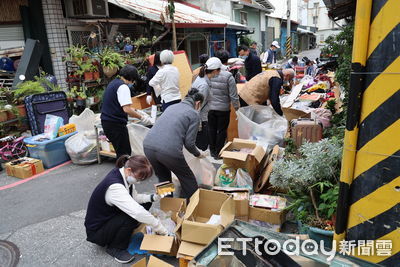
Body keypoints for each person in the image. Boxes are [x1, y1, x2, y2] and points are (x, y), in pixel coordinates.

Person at [85, 155, 169, 264]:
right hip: (97, 231)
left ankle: (122, 231)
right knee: (131, 216)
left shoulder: (123, 175)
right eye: (139, 178)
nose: (139, 181)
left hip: (109, 218)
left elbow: (135, 198)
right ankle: (115, 248)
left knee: (146, 204)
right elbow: (137, 212)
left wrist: (154, 197)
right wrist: (160, 227)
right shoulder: (115, 186)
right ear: (129, 170)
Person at [143, 89, 207, 199]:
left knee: (163, 178)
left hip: (148, 146)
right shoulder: (193, 114)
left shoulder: (171, 107)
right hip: (168, 151)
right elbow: (189, 143)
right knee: (188, 179)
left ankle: (168, 208)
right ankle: (193, 209)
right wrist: (198, 154)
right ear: (198, 103)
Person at [101, 65, 152, 159]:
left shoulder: (114, 83)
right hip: (115, 124)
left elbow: (124, 106)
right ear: (132, 78)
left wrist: (137, 111)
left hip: (107, 123)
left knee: (121, 153)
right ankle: (123, 172)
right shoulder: (123, 87)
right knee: (124, 155)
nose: (134, 82)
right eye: (134, 80)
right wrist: (142, 118)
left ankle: (123, 171)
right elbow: (127, 109)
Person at [209, 50, 240, 159]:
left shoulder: (208, 74)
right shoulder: (228, 76)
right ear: (226, 61)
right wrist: (237, 109)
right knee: (222, 131)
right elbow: (233, 95)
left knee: (212, 129)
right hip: (223, 109)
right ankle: (218, 152)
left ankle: (212, 151)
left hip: (210, 108)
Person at [192, 57, 222, 151]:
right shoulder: (204, 85)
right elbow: (197, 106)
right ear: (215, 71)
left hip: (200, 118)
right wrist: (199, 125)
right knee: (202, 146)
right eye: (219, 70)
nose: (220, 72)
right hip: (200, 120)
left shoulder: (201, 78)